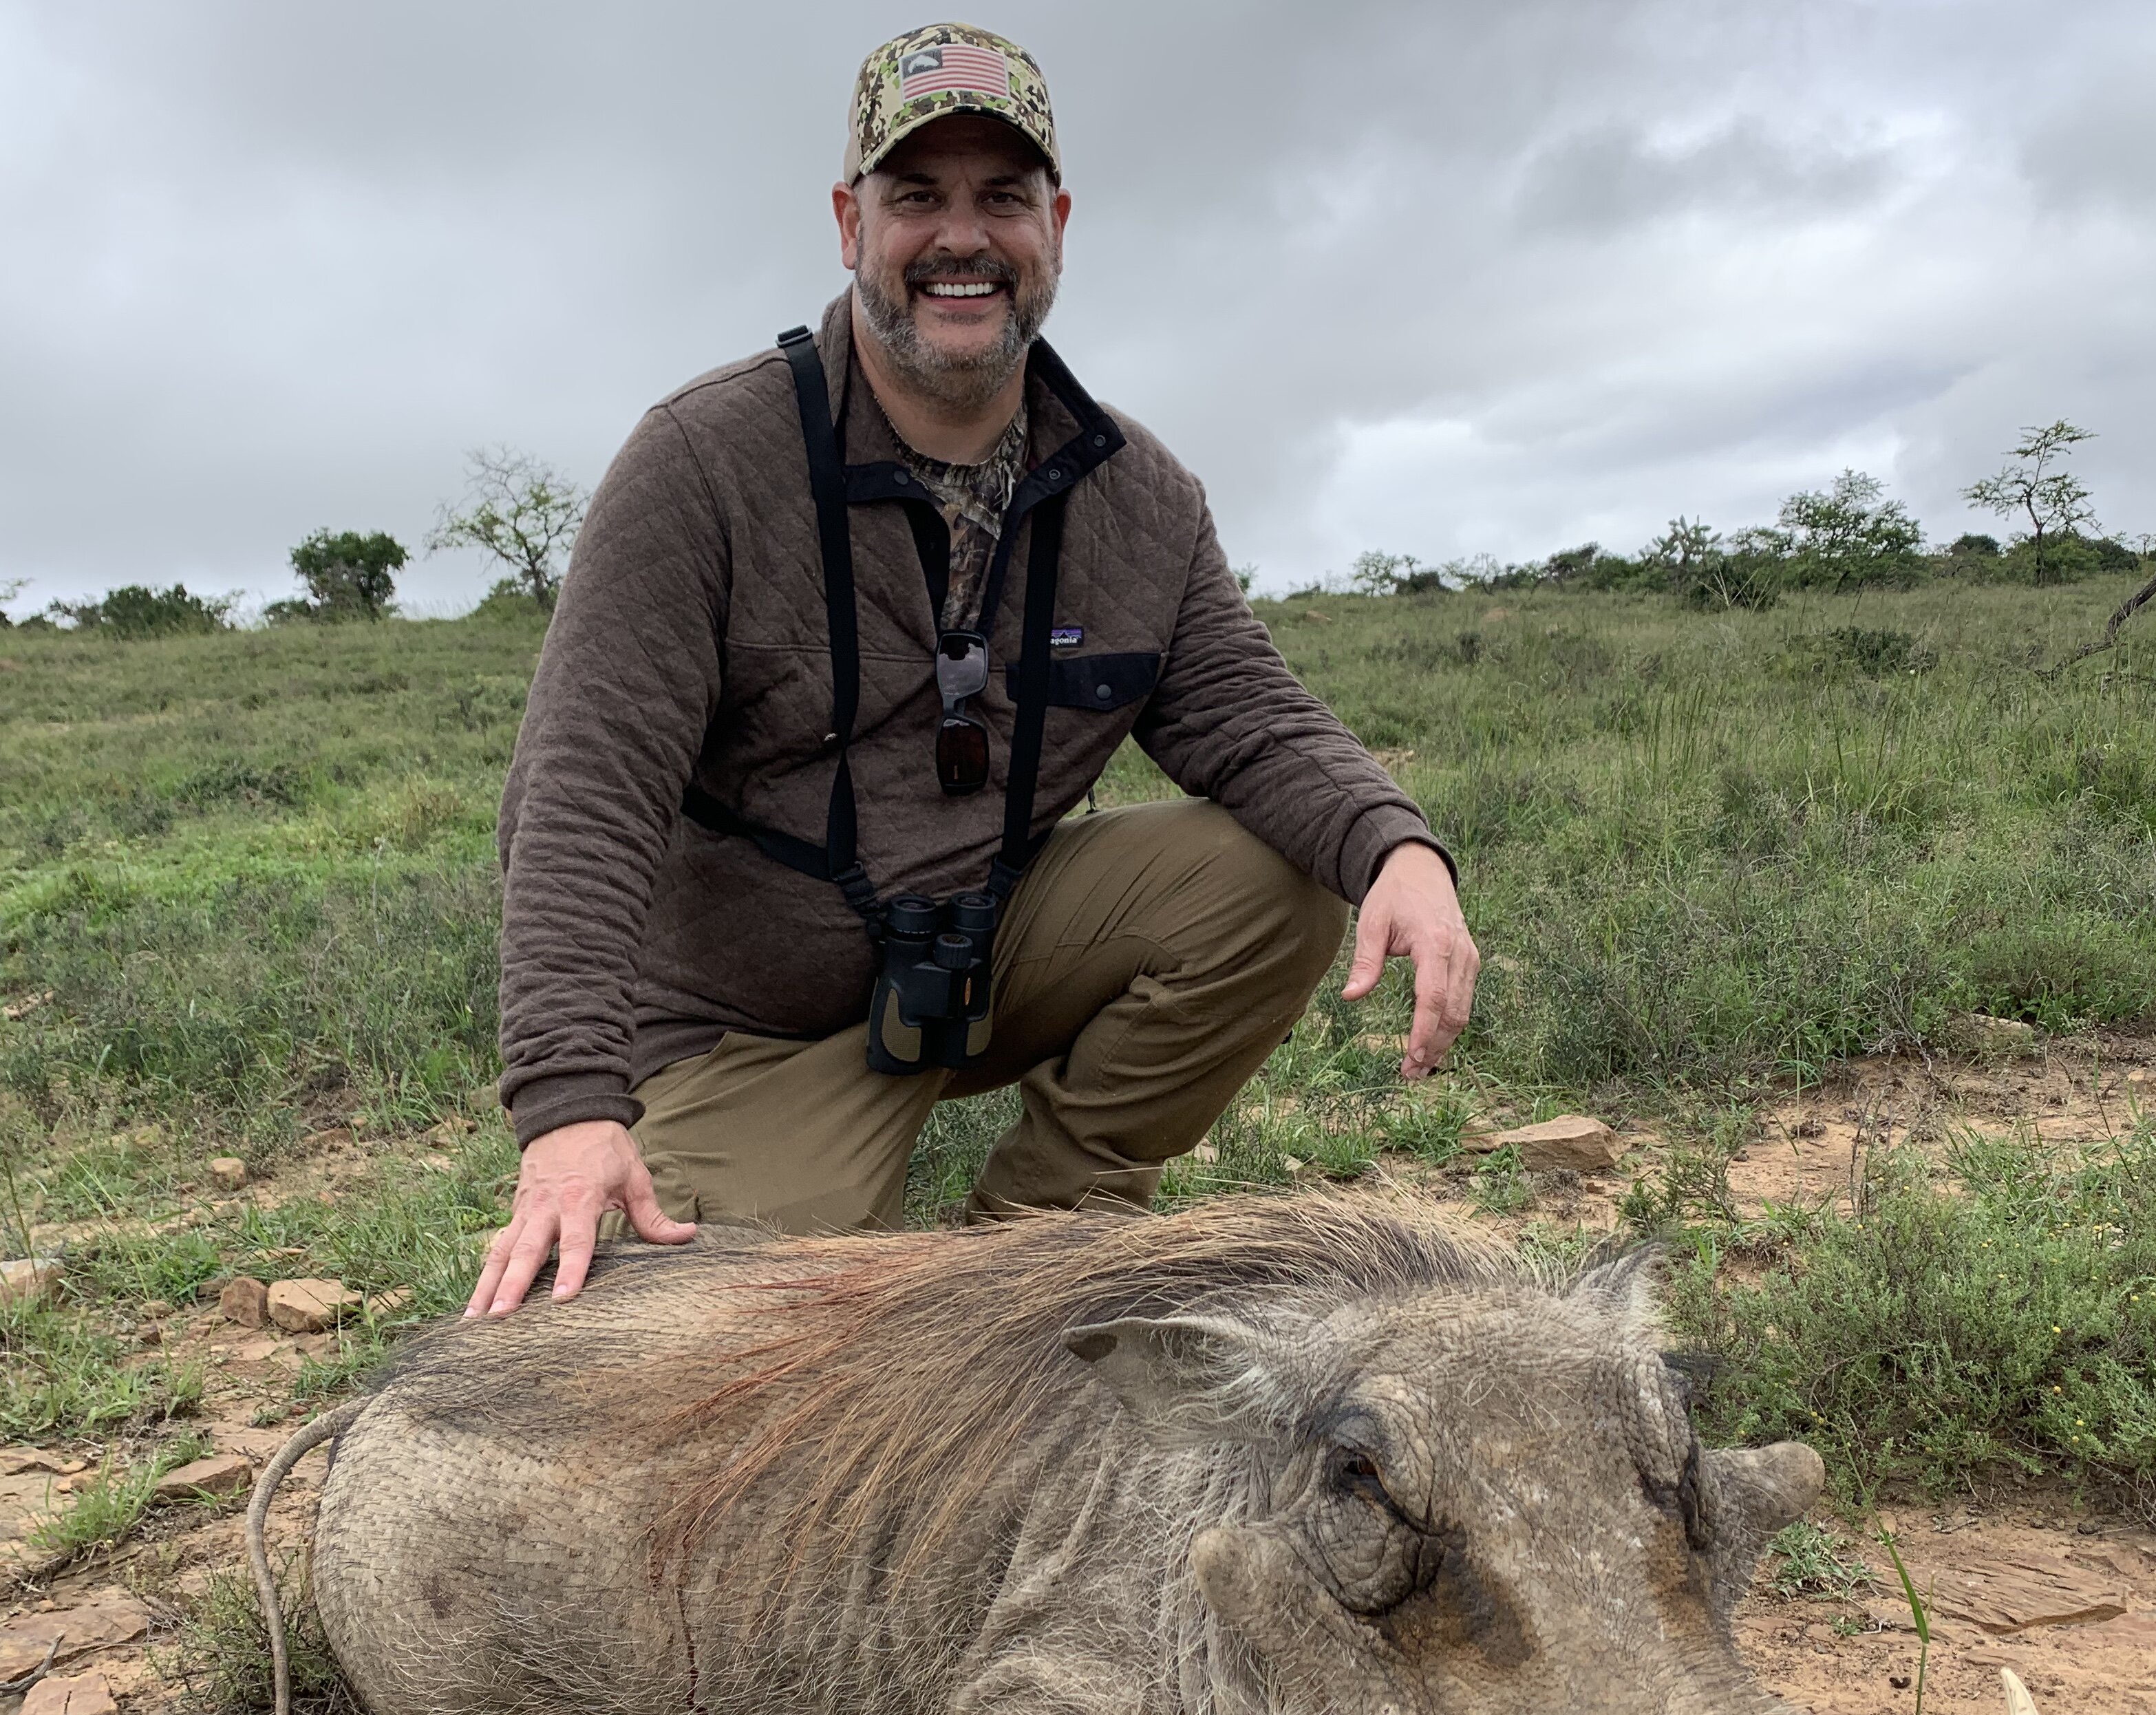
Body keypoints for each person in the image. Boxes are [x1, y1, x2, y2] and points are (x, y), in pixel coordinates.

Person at [467, 22, 1475, 1317]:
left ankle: (1033, 1250)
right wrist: (567, 1111)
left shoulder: (1141, 494)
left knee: (1274, 874)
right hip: (748, 1023)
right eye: (915, 196)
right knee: (721, 1341)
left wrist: (1400, 848)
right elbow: (577, 799)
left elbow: (1249, 716)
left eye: (1001, 197)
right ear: (848, 221)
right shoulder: (699, 463)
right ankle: (803, 1243)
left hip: (982, 959)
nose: (961, 238)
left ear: (1054, 225)